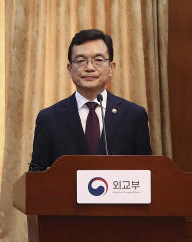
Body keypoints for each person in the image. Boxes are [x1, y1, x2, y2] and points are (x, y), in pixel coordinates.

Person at [29, 29, 152, 171]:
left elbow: (146, 171)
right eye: (81, 61)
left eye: (98, 60)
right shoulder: (49, 118)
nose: (89, 67)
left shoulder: (133, 116)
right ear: (69, 69)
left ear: (111, 68)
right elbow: (37, 173)